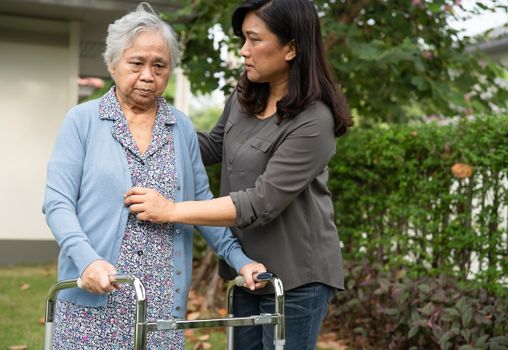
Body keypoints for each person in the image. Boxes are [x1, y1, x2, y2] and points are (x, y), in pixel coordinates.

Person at [124, 0, 351, 348]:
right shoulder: (246, 93)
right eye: (242, 38)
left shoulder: (314, 121)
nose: (243, 50)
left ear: (291, 48)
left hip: (297, 280)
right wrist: (142, 123)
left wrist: (170, 210)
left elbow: (261, 202)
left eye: (254, 39)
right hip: (247, 269)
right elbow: (213, 146)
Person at [43, 3, 266, 349]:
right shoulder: (82, 121)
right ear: (112, 64)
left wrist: (241, 261)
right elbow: (57, 203)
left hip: (162, 305)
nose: (148, 75)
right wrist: (87, 262)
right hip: (95, 295)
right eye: (137, 63)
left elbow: (200, 206)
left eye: (159, 65)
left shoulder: (181, 127)